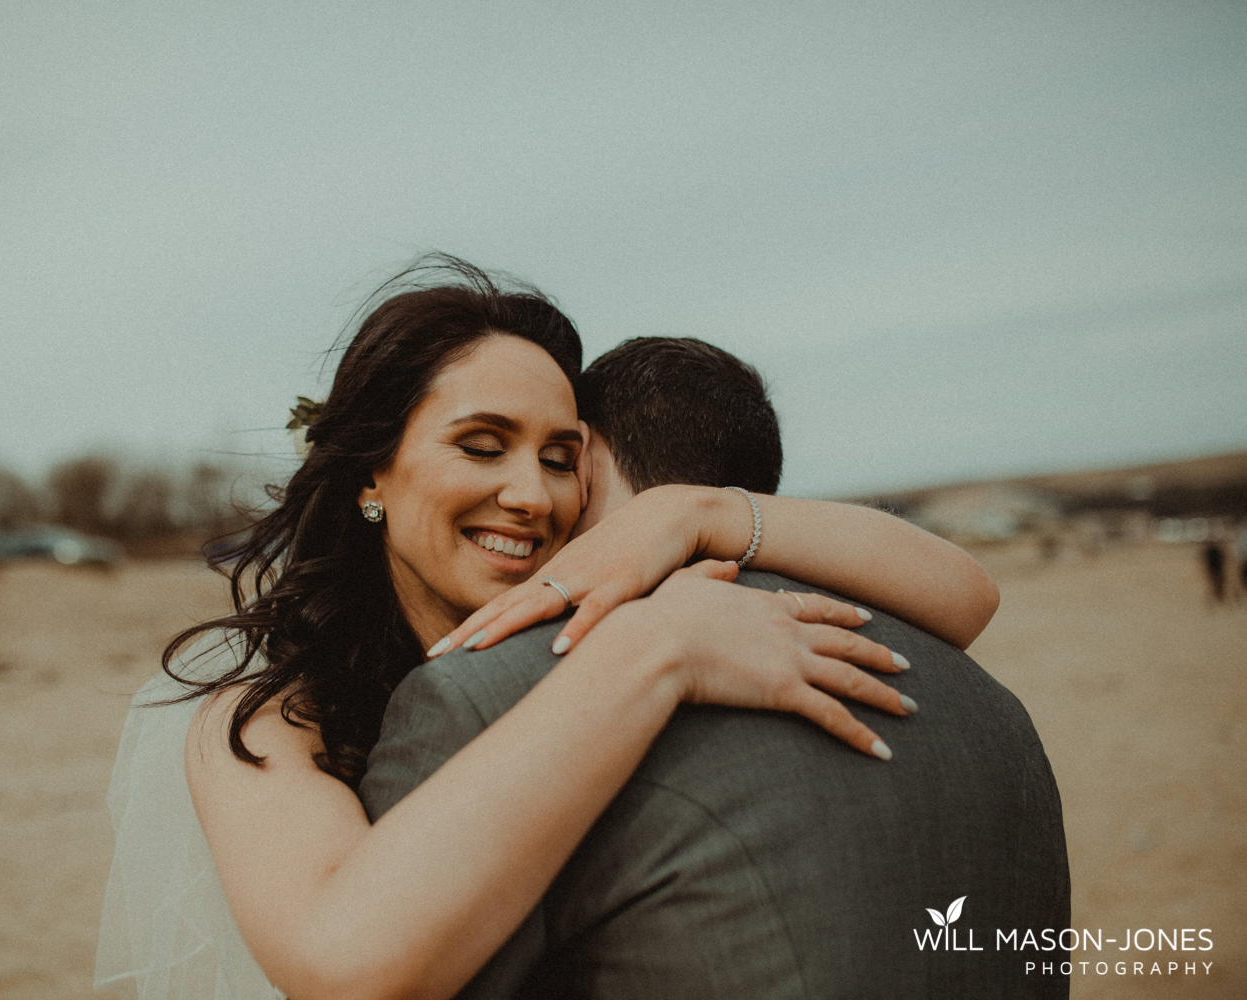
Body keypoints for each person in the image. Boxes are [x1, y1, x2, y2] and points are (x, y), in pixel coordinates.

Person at [95, 259, 999, 1000]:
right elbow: (346, 966)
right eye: (481, 446)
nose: (532, 496)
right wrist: (662, 651)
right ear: (374, 471)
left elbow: (964, 597)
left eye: (560, 458)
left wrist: (699, 513)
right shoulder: (263, 712)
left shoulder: (595, 610)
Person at [361, 336, 1069, 999]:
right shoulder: (987, 707)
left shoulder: (488, 697)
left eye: (557, 458)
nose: (533, 497)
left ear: (590, 458)